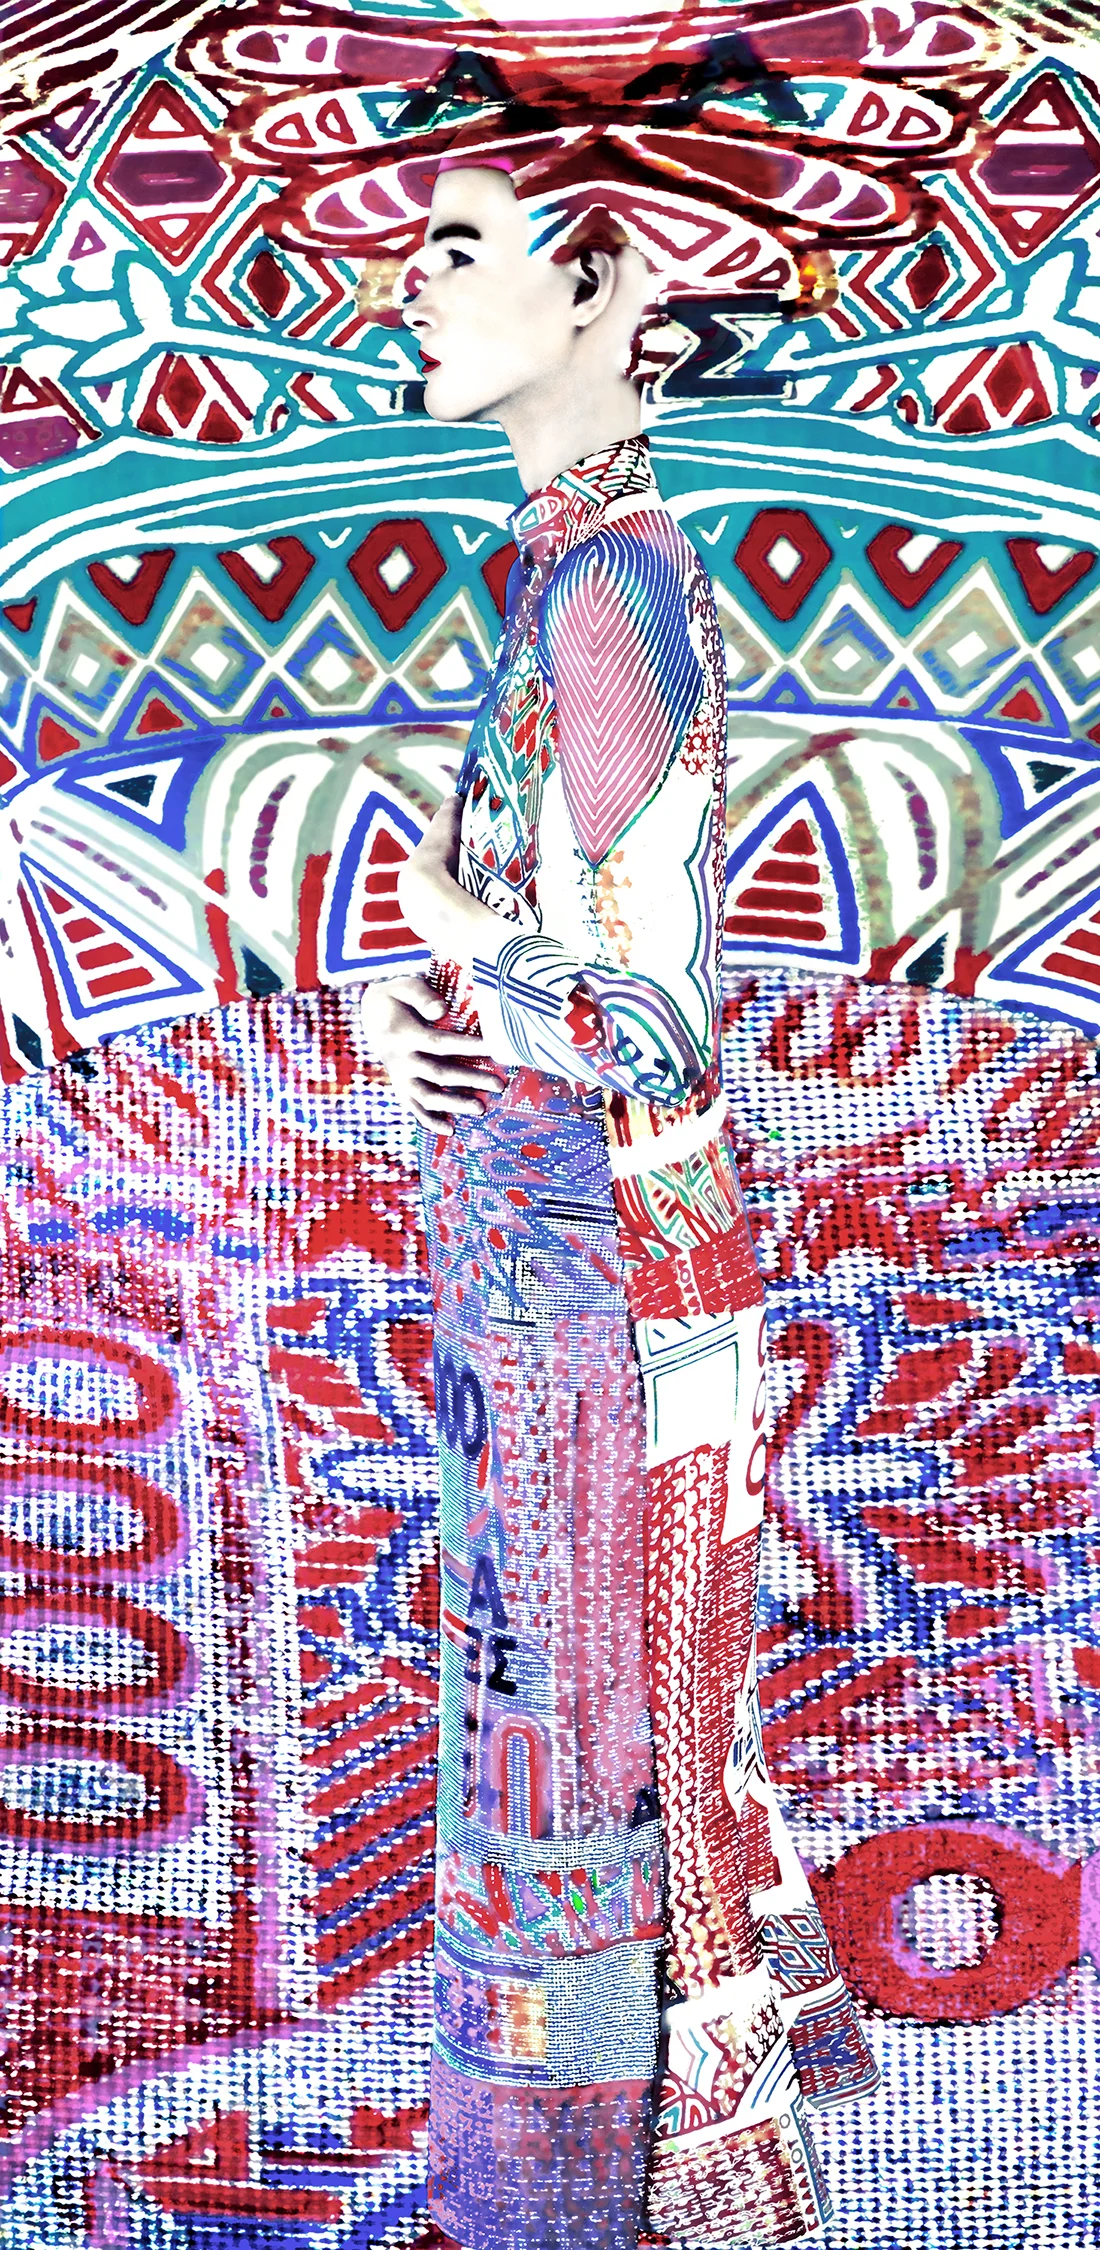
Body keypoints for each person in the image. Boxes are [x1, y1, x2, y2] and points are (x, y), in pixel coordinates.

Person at [362, 156, 879, 2250]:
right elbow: (563, 948)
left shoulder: (609, 591)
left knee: (571, 1761)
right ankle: (556, 2187)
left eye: (457, 249)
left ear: (606, 284)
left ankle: (563, 2199)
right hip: (546, 1250)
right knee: (550, 1739)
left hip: (600, 1279)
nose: (410, 284)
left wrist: (450, 935)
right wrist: (422, 1006)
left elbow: (647, 1020)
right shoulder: (563, 564)